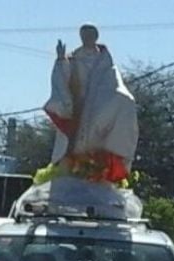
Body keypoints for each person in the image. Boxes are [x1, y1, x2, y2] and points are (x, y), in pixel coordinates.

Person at [45, 24, 138, 182]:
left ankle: (98, 168)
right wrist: (61, 60)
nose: (86, 38)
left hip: (98, 106)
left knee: (123, 103)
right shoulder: (73, 59)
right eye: (84, 35)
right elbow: (62, 78)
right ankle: (74, 168)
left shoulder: (105, 61)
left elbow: (114, 85)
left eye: (89, 35)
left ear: (95, 37)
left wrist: (118, 100)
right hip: (77, 107)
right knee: (73, 144)